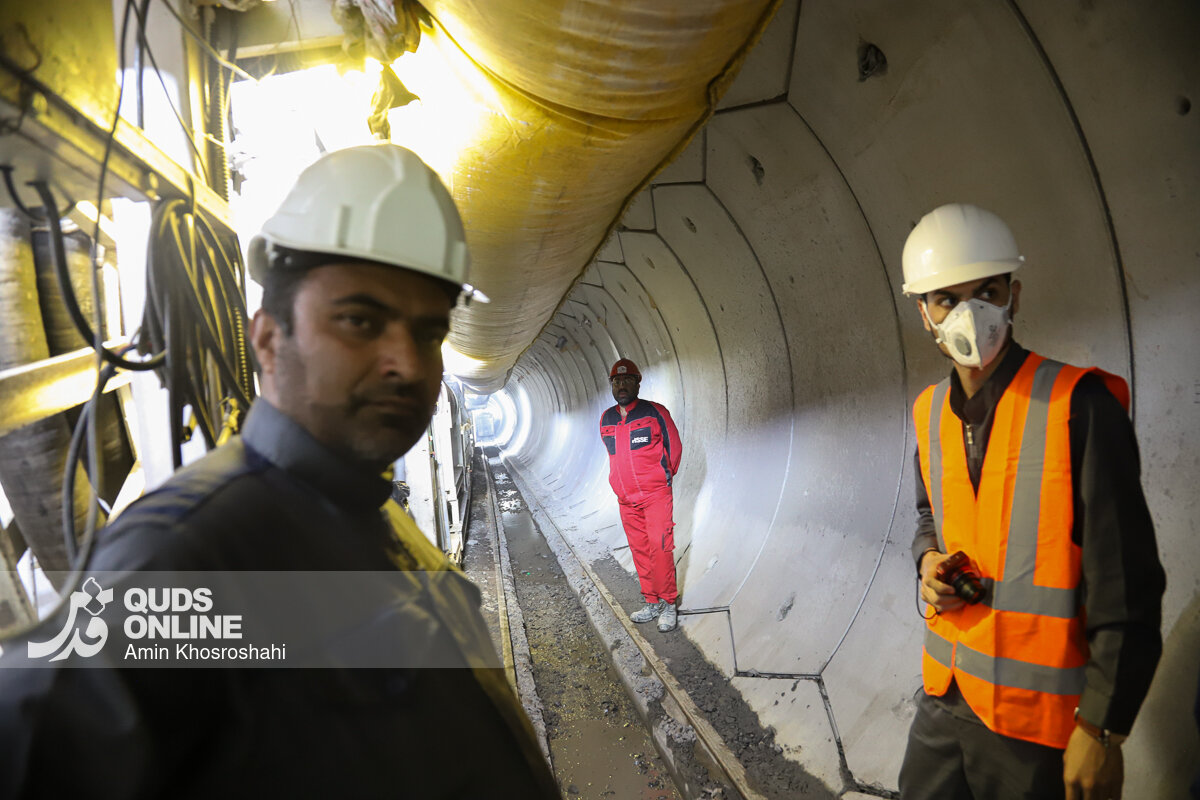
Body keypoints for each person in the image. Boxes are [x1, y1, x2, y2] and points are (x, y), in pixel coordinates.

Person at [0, 144, 560, 798]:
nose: (407, 364)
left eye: (429, 333)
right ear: (267, 339)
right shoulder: (190, 556)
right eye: (360, 321)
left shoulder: (371, 511)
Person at [896, 203, 1165, 800]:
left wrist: (1102, 729)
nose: (970, 315)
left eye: (987, 292)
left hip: (1037, 728)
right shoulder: (929, 412)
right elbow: (928, 516)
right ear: (924, 312)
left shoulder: (1079, 407)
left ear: (1013, 296)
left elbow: (1127, 583)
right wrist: (927, 561)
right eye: (947, 299)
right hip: (944, 699)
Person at [599, 359, 683, 632]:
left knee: (660, 548)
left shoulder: (655, 413)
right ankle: (652, 602)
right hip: (626, 500)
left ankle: (668, 603)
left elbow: (674, 449)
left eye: (627, 380)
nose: (621, 385)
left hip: (655, 495)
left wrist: (660, 480)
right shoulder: (607, 418)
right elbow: (614, 456)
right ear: (612, 385)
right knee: (640, 551)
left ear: (637, 383)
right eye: (616, 381)